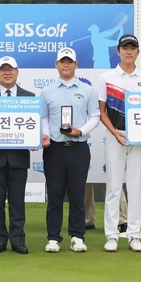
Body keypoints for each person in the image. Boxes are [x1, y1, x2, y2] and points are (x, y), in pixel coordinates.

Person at [41, 47, 100, 253]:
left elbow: (95, 117)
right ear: (56, 64)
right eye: (62, 61)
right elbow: (44, 117)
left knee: (77, 194)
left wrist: (80, 131)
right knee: (55, 194)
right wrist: (45, 134)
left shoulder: (88, 90)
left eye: (69, 62)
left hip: (78, 148)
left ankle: (77, 236)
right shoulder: (47, 91)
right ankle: (53, 238)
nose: (66, 65)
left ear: (76, 65)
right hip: (54, 149)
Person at [99, 34, 141, 252]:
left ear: (137, 52)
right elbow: (102, 112)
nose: (129, 52)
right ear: (118, 51)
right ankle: (112, 235)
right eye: (125, 48)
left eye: (132, 48)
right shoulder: (106, 77)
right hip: (115, 136)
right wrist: (114, 133)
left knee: (135, 187)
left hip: (138, 138)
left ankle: (134, 235)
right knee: (113, 187)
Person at [0, 56, 35, 255]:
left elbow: (33, 126)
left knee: (17, 201)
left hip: (18, 158)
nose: (7, 72)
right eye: (3, 69)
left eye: (10, 69)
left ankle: (18, 239)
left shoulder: (29, 97)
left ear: (17, 72)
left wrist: (34, 139)